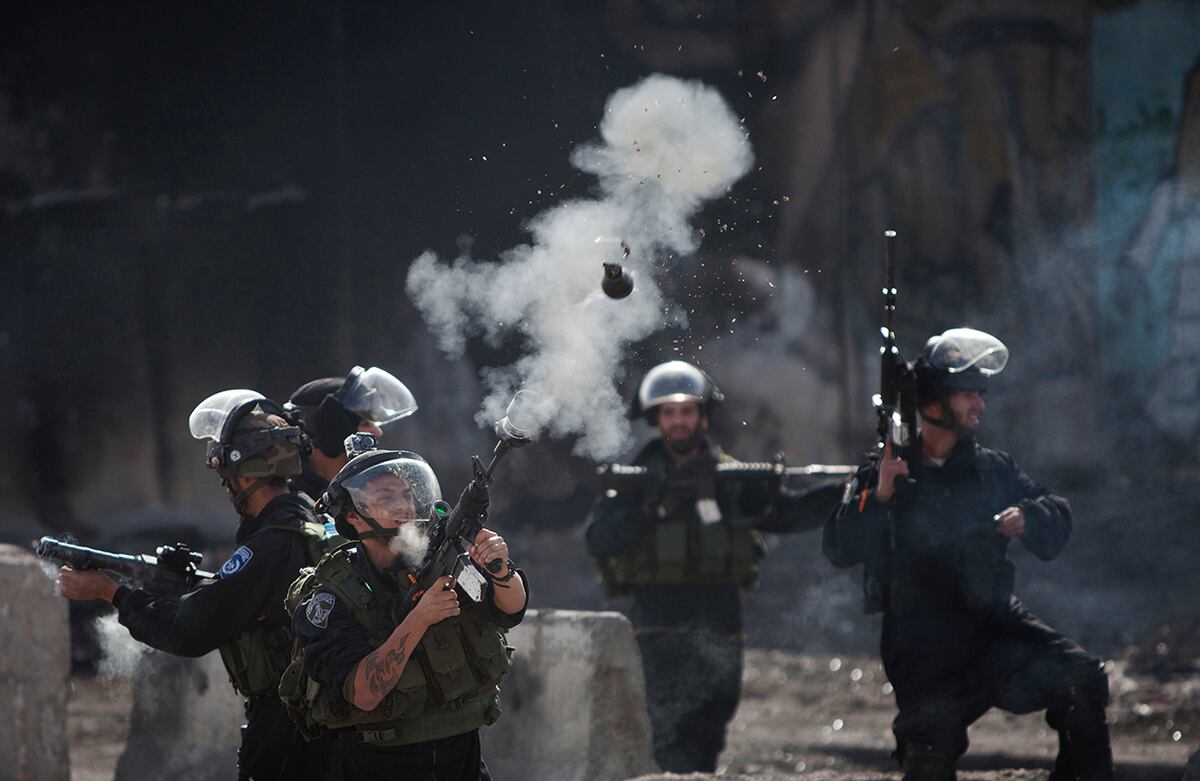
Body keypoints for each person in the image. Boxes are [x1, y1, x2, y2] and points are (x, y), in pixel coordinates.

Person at [823, 328, 1114, 780]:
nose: (979, 404)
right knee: (929, 753)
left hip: (994, 628)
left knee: (1083, 680)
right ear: (935, 405)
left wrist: (1029, 517)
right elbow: (838, 548)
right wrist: (879, 496)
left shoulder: (993, 469)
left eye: (981, 393)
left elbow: (1057, 514)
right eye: (967, 395)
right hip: (924, 646)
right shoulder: (886, 474)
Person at [57, 389, 334, 780]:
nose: (226, 485)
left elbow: (190, 629)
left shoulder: (269, 545)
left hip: (287, 732)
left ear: (243, 474)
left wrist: (110, 592)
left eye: (227, 475)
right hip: (322, 724)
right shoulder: (308, 519)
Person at [584, 360, 835, 773]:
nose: (679, 421)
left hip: (719, 617)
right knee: (667, 728)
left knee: (711, 724)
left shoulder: (729, 476)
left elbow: (785, 513)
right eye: (669, 412)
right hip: (658, 620)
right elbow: (597, 538)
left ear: (703, 416)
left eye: (687, 411)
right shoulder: (634, 478)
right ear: (655, 418)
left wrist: (846, 492)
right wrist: (655, 509)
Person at [290, 449, 528, 780]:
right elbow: (363, 693)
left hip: (461, 752)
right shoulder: (332, 595)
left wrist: (500, 571)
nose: (404, 505)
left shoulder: (436, 560)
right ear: (353, 516)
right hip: (379, 759)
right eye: (386, 496)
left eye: (407, 494)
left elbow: (509, 610)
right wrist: (419, 618)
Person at [284, 366, 418, 502]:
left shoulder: (367, 494)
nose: (378, 432)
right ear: (332, 429)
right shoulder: (292, 505)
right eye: (366, 423)